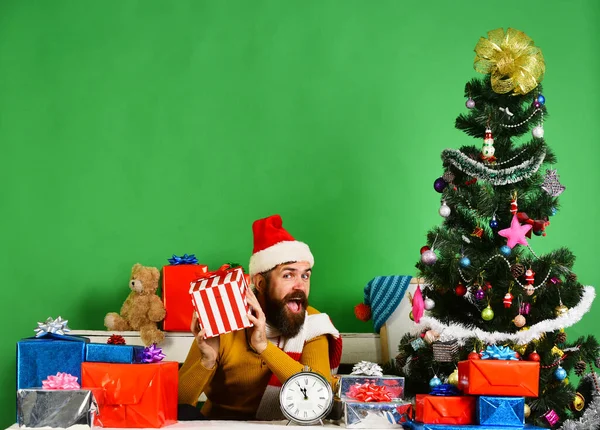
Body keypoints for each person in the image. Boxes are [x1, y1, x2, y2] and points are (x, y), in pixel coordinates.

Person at [178, 214, 342, 420]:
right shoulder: (224, 319)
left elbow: (320, 399)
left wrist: (264, 347)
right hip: (219, 424)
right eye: (288, 275)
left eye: (305, 275)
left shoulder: (314, 325)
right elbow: (176, 406)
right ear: (261, 283)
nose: (300, 285)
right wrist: (206, 360)